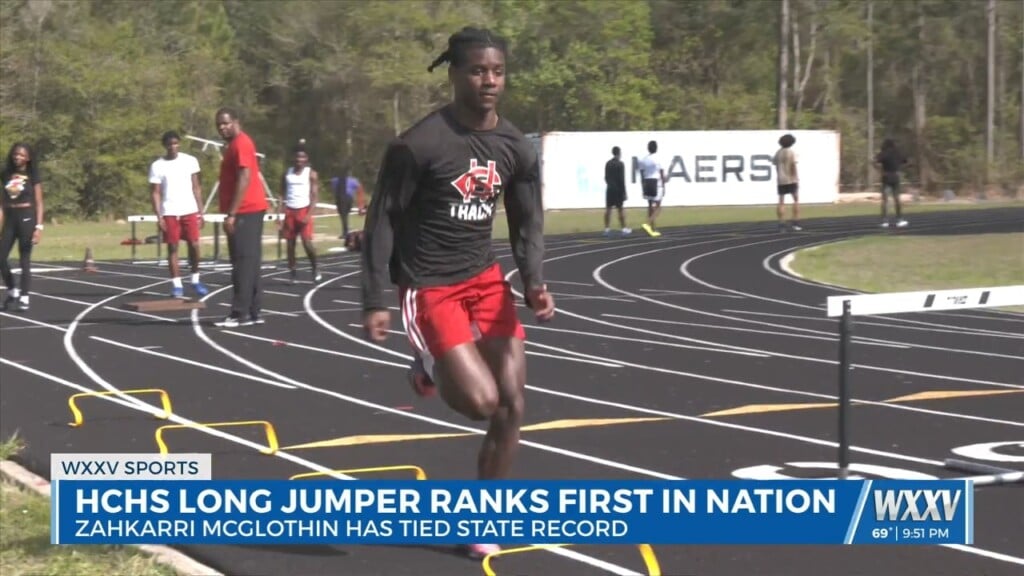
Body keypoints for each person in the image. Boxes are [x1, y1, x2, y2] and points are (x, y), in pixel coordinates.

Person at [360, 26, 555, 560]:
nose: (489, 80)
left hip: (485, 279)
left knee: (513, 404)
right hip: (430, 286)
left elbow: (525, 218)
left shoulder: (514, 145)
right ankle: (427, 362)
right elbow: (382, 222)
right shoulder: (418, 145)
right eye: (476, 70)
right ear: (454, 74)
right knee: (482, 402)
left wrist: (534, 280)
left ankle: (484, 518)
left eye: (497, 71)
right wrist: (376, 297)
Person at [214, 107, 269, 327]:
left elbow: (244, 178)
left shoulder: (242, 144)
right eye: (219, 125)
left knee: (243, 263)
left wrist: (232, 214)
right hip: (248, 210)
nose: (222, 128)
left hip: (246, 210)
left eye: (226, 123)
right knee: (250, 261)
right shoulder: (233, 146)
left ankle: (239, 313)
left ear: (236, 121)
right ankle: (253, 312)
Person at [149, 131, 209, 298]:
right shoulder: (157, 165)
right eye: (170, 144)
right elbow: (155, 193)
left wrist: (201, 211)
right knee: (173, 247)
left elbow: (196, 187)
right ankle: (177, 284)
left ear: (179, 144)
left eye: (176, 143)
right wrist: (159, 216)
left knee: (194, 245)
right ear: (165, 146)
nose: (173, 147)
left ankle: (195, 279)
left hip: (189, 209)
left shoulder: (190, 161)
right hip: (169, 211)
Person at [1, 142, 44, 312]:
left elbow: (40, 202)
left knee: (24, 259)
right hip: (10, 217)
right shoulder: (5, 174)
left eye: (22, 154)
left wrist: (39, 227)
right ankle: (13, 291)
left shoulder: (33, 174)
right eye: (15, 154)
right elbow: (2, 202)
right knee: (1, 257)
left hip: (27, 217)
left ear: (28, 158)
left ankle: (25, 297)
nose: (18, 157)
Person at [278, 140, 321, 283]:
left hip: (304, 210)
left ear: (306, 159)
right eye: (297, 157)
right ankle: (293, 272)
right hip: (290, 211)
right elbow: (281, 195)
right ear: (294, 158)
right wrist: (279, 214)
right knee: (290, 245)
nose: (299, 160)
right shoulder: (287, 174)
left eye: (302, 157)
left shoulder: (311, 174)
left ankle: (315, 268)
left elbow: (315, 196)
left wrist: (308, 215)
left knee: (307, 243)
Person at [875, 138, 909, 228]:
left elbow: (875, 161)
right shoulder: (897, 152)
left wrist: (879, 170)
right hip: (895, 176)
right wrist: (899, 168)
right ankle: (899, 220)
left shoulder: (884, 153)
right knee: (897, 199)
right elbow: (905, 161)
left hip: (886, 176)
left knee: (885, 200)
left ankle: (884, 221)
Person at [772, 133, 803, 231]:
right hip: (791, 179)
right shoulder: (791, 152)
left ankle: (781, 223)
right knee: (796, 200)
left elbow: (776, 166)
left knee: (781, 202)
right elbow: (793, 166)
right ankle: (796, 222)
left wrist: (779, 176)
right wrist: (796, 178)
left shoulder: (778, 153)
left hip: (781, 180)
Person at [638, 140, 667, 237]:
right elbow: (662, 173)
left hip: (647, 182)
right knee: (658, 206)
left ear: (648, 148)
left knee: (650, 205)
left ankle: (652, 229)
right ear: (656, 148)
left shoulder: (643, 160)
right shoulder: (658, 158)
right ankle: (648, 223)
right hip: (656, 183)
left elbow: (641, 174)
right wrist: (664, 186)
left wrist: (643, 187)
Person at [603, 146, 630, 236]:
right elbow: (622, 179)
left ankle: (606, 229)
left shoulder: (608, 163)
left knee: (608, 209)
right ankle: (624, 228)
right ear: (619, 153)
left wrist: (610, 185)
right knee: (620, 210)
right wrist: (624, 192)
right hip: (618, 190)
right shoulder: (620, 164)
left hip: (610, 189)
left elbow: (606, 177)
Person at [332, 169, 364, 240]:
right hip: (348, 198)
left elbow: (335, 190)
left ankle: (345, 232)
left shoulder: (335, 180)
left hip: (342, 198)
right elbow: (359, 189)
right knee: (344, 215)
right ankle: (346, 230)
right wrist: (360, 205)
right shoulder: (353, 180)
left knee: (343, 216)